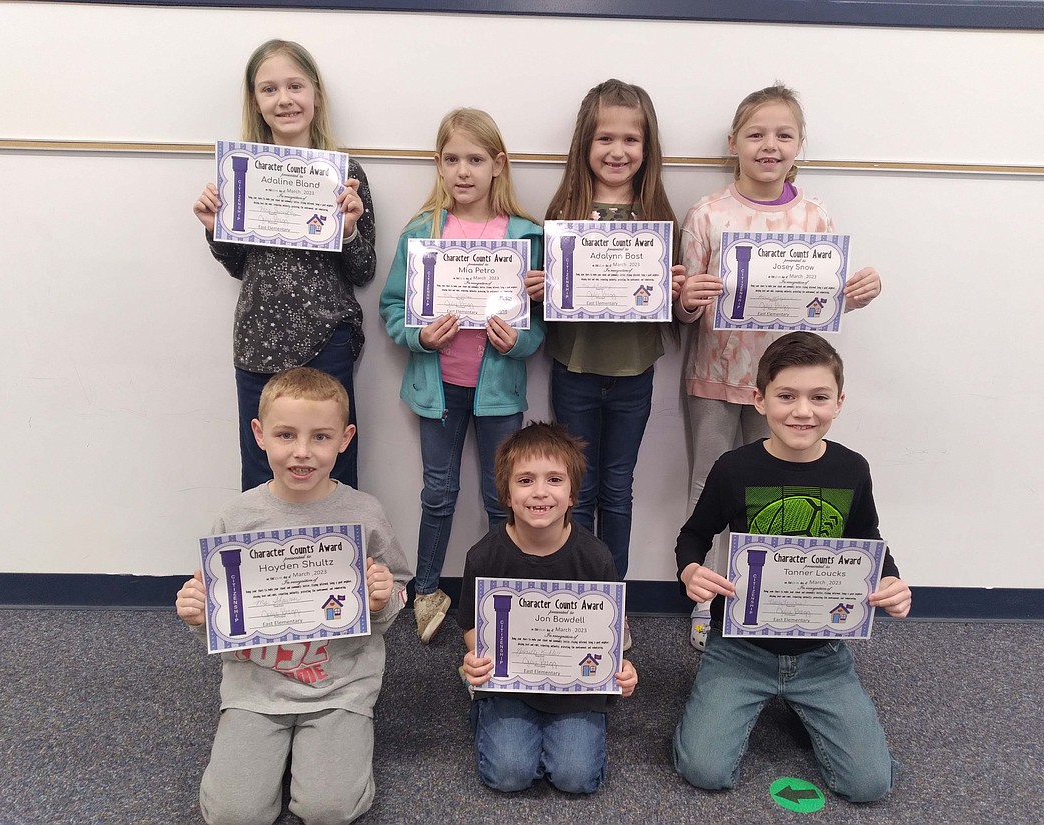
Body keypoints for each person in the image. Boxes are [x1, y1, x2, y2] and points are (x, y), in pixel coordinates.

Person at [675, 84, 882, 649]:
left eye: (783, 135)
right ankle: (707, 604)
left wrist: (853, 294)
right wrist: (689, 296)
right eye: (756, 134)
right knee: (709, 492)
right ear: (733, 143)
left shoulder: (814, 216)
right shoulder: (707, 214)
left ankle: (774, 601)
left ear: (800, 146)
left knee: (776, 495)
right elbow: (682, 311)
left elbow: (821, 309)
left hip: (787, 394)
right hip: (716, 379)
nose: (769, 145)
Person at [672, 332, 911, 803]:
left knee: (869, 786)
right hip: (741, 647)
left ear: (839, 402)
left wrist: (890, 579)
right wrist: (689, 570)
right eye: (787, 396)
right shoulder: (734, 468)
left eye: (819, 397)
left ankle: (804, 705)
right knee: (704, 769)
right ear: (759, 399)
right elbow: (694, 534)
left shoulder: (852, 469)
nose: (803, 411)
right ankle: (731, 704)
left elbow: (868, 538)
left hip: (822, 653)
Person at [175, 367, 411, 825]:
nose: (302, 452)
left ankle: (322, 755)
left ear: (345, 439)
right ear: (260, 435)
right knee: (233, 816)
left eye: (321, 437)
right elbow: (219, 608)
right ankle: (276, 757)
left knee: (328, 810)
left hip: (341, 683)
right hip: (256, 687)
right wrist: (198, 614)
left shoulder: (364, 512)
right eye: (286, 435)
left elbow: (398, 585)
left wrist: (382, 600)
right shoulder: (238, 516)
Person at [379, 108, 544, 645]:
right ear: (438, 165)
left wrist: (516, 341)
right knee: (438, 492)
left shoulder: (525, 235)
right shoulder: (423, 231)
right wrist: (417, 337)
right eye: (452, 159)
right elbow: (392, 306)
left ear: (498, 165)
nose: (463, 171)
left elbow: (541, 326)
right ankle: (426, 587)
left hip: (499, 393)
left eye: (475, 159)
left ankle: (507, 589)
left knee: (502, 499)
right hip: (438, 388)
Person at [533, 80, 685, 646]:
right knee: (578, 488)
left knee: (617, 489)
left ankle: (611, 600)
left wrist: (674, 289)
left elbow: (677, 305)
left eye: (631, 139)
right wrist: (538, 288)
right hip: (573, 368)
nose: (617, 151)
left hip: (634, 374)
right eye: (605, 139)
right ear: (584, 145)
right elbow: (548, 297)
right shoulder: (564, 211)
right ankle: (578, 595)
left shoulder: (658, 216)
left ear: (647, 149)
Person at [193, 39, 376, 492]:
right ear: (255, 101)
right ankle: (267, 564)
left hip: (326, 340)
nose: (284, 99)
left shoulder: (345, 172)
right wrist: (217, 228)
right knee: (262, 471)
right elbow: (240, 267)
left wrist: (349, 228)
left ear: (315, 93)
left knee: (332, 468)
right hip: (257, 340)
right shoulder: (241, 170)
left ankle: (339, 562)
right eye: (269, 89)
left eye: (295, 86)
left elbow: (364, 270)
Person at [458, 422, 638, 794]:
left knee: (575, 778)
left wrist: (621, 669)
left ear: (573, 493)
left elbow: (609, 633)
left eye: (554, 480)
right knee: (510, 776)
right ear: (506, 493)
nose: (540, 492)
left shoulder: (596, 558)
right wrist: (476, 657)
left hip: (575, 688)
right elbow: (473, 626)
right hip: (510, 685)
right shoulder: (484, 556)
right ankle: (488, 713)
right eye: (525, 480)